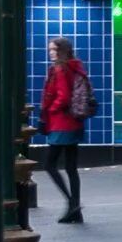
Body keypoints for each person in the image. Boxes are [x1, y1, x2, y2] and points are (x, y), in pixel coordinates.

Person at [37, 37, 89, 224]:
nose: (50, 52)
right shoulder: (75, 67)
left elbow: (63, 96)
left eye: (53, 49)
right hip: (75, 122)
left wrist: (49, 111)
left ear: (61, 51)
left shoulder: (59, 70)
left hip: (61, 123)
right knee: (71, 167)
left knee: (49, 164)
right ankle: (75, 208)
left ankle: (71, 203)